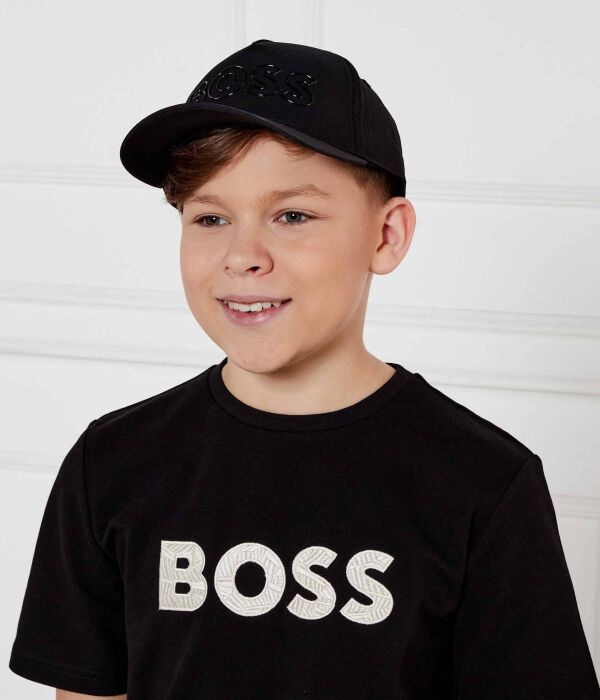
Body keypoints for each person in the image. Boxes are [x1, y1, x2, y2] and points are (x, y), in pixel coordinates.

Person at [8, 39, 600, 699]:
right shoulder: (112, 462)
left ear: (386, 236)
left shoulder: (482, 482)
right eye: (210, 217)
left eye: (292, 215)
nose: (242, 255)